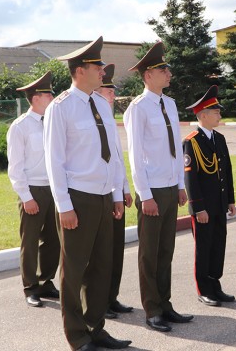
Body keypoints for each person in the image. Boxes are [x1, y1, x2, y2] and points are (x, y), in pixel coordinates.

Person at [43, 37, 131, 351]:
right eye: (97, 67)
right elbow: (54, 160)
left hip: (104, 196)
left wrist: (118, 192)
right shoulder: (61, 107)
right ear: (81, 70)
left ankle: (97, 328)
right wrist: (64, 205)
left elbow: (115, 152)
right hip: (77, 198)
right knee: (74, 268)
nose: (102, 72)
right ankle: (77, 336)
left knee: (101, 266)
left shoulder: (100, 104)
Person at [124, 41, 193, 333]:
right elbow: (135, 155)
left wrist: (180, 184)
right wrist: (145, 195)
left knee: (166, 251)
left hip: (169, 187)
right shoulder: (137, 108)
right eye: (164, 69)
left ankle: (166, 305)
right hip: (151, 191)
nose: (169, 73)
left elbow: (175, 150)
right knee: (149, 254)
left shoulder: (170, 103)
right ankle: (152, 309)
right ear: (148, 75)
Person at [7, 71, 60, 309]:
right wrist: (26, 197)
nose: (53, 96)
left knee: (53, 240)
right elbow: (15, 168)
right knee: (29, 242)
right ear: (37, 97)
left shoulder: (52, 122)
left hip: (54, 188)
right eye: (49, 93)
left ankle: (46, 281)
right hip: (33, 190)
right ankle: (30, 287)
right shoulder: (20, 127)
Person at [183, 86, 236, 306]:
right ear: (203, 115)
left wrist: (230, 200)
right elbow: (190, 179)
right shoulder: (192, 141)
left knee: (218, 244)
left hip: (219, 204)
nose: (219, 115)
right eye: (215, 112)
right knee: (203, 248)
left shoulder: (219, 138)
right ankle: (203, 288)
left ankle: (215, 284)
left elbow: (227, 171)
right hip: (204, 207)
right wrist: (198, 208)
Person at [95, 64, 135, 320]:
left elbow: (117, 160)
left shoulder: (109, 117)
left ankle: (111, 297)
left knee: (115, 250)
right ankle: (100, 302)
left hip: (116, 193)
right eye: (109, 91)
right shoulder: (94, 117)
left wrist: (125, 188)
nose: (113, 96)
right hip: (101, 194)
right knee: (101, 254)